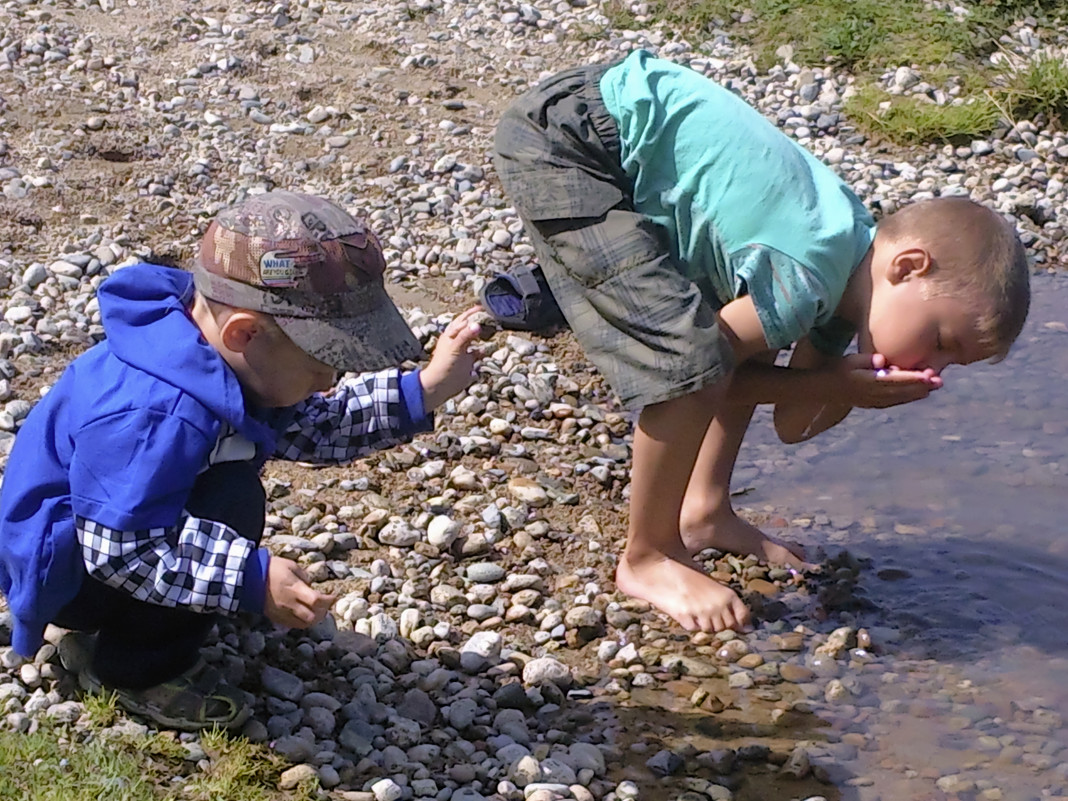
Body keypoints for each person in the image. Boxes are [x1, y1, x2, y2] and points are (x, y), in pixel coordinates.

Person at [491, 50, 1030, 634]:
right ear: (908, 267)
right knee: (688, 355)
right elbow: (704, 369)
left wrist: (855, 390)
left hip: (612, 129)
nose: (938, 365)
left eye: (954, 362)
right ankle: (648, 555)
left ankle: (705, 509)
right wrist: (831, 382)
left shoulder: (846, 281)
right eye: (944, 339)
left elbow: (792, 422)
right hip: (575, 139)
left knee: (750, 339)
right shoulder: (811, 274)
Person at [0, 190, 485, 731]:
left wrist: (424, 390)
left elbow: (311, 424)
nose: (330, 380)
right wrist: (248, 578)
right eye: (323, 363)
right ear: (245, 333)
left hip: (112, 529)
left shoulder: (216, 358)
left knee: (227, 495)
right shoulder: (157, 413)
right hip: (73, 570)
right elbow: (122, 549)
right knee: (232, 500)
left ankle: (160, 614)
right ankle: (129, 667)